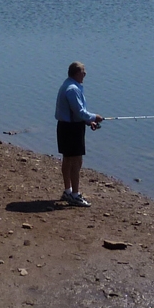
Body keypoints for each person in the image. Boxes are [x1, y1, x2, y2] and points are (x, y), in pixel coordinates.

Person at [54, 61, 104, 207]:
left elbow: (77, 113)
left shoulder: (68, 85)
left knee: (68, 159)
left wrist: (89, 122)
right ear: (76, 73)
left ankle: (68, 191)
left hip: (66, 127)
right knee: (76, 161)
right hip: (71, 129)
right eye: (83, 71)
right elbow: (79, 111)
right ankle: (75, 195)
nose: (85, 74)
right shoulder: (72, 89)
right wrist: (95, 117)